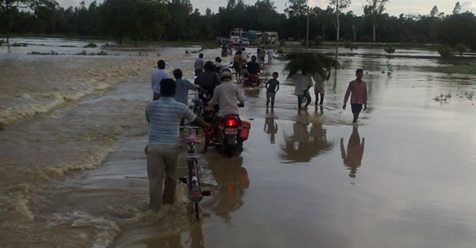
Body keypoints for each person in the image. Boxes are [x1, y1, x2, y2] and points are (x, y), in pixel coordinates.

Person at [145, 79, 211, 211]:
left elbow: (149, 121)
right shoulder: (180, 107)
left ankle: (154, 209)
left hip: (154, 148)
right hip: (172, 148)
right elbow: (196, 120)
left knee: (155, 180)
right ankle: (168, 205)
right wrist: (208, 126)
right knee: (171, 177)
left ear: (161, 90)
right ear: (174, 91)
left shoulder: (150, 106)